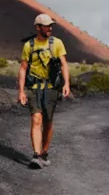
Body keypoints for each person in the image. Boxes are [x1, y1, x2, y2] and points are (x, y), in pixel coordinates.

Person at [18, 13, 71, 168]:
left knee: (48, 122)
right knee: (36, 119)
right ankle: (36, 155)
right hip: (33, 88)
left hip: (51, 89)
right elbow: (23, 69)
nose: (50, 28)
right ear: (38, 27)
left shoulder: (57, 43)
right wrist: (21, 91)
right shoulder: (29, 46)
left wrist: (67, 84)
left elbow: (64, 65)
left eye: (51, 25)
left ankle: (44, 152)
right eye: (47, 26)